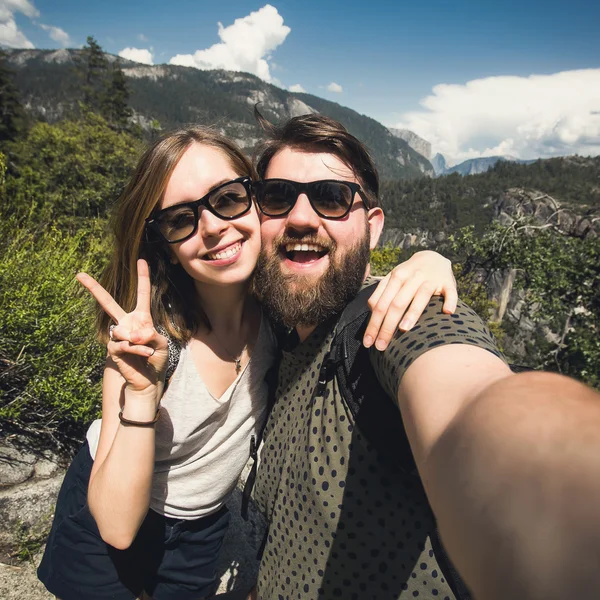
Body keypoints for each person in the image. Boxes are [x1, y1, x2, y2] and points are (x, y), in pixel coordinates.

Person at [37, 125, 459, 600]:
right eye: (180, 220)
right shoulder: (151, 346)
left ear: (259, 203)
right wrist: (140, 391)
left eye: (228, 198)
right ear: (168, 250)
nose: (213, 225)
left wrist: (428, 262)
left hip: (200, 529)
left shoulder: (281, 313)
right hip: (106, 510)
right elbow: (116, 527)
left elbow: (342, 267)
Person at [249, 111, 600, 600]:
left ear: (372, 229)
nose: (301, 217)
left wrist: (560, 489)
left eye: (331, 198)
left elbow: (467, 395)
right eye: (277, 197)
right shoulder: (267, 333)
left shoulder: (397, 323)